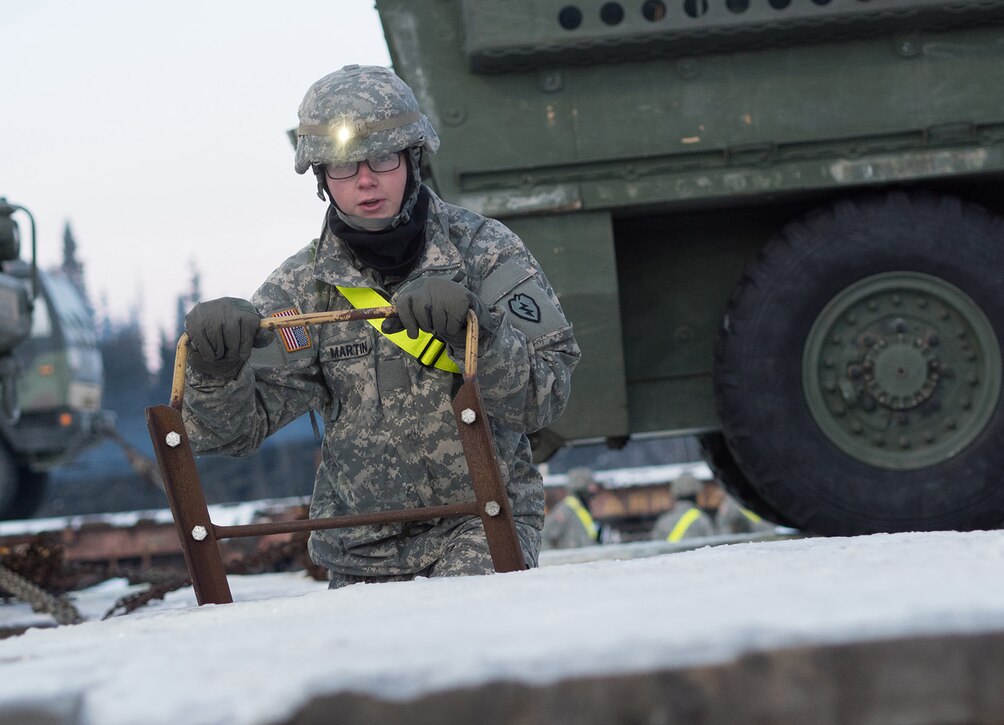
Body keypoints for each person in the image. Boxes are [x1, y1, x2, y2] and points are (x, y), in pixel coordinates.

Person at [181, 65, 580, 587]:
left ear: (413, 158)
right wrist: (215, 370)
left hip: (481, 523)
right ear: (321, 178)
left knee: (463, 642)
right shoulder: (302, 289)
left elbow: (544, 399)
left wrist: (477, 334)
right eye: (343, 168)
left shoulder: (485, 252)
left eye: (382, 158)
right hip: (359, 545)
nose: (365, 180)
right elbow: (226, 434)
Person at [541, 467, 601, 549]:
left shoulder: (581, 508)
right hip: (574, 560)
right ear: (580, 486)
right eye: (590, 485)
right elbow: (545, 536)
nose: (594, 489)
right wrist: (555, 558)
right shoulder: (566, 510)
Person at [650, 472, 716, 542]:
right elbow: (711, 545)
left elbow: (656, 547)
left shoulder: (663, 521)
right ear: (696, 494)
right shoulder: (702, 519)